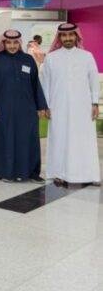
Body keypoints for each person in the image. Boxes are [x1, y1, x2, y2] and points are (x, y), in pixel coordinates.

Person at [0, 30, 48, 183]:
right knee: (5, 139)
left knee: (29, 139)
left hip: (27, 109)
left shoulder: (28, 59)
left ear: (19, 43)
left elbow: (35, 83)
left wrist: (41, 106)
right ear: (4, 43)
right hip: (2, 109)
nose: (12, 46)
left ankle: (32, 172)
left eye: (15, 43)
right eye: (8, 43)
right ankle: (5, 172)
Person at [42, 23, 100, 187]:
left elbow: (94, 81)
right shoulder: (51, 58)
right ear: (59, 37)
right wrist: (46, 106)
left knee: (84, 140)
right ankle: (58, 174)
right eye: (64, 35)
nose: (67, 38)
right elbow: (45, 83)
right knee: (59, 139)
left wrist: (95, 103)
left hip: (83, 107)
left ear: (76, 36)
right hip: (57, 106)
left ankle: (89, 174)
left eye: (70, 35)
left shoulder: (86, 56)